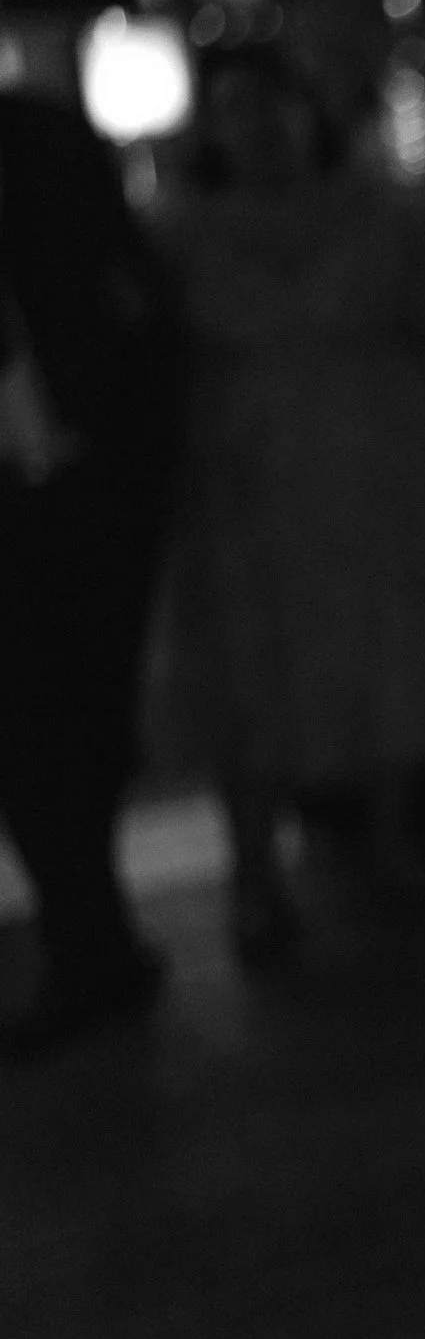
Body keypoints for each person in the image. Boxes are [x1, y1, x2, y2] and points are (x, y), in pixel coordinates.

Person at [158, 46, 425, 961]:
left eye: (276, 103)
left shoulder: (387, 220)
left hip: (376, 466)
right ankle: (255, 870)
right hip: (246, 479)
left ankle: (389, 835)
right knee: (254, 667)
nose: (260, 127)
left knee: (384, 647)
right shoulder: (178, 237)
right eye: (236, 108)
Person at [0, 93, 183, 1056]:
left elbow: (135, 321)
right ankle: (86, 943)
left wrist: (125, 457)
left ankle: (96, 938)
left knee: (88, 722)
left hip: (87, 489)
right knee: (30, 733)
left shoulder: (50, 156)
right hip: (31, 499)